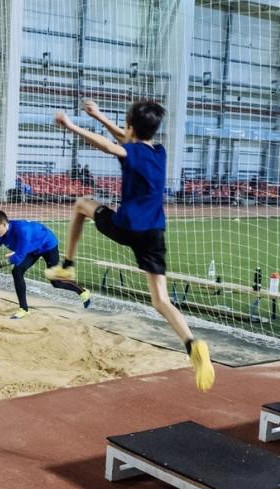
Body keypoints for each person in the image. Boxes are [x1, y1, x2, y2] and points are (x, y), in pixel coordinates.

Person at [44, 98, 215, 392]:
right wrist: (99, 116)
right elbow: (124, 139)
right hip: (154, 233)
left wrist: (72, 125)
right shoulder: (158, 152)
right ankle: (192, 344)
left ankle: (68, 267)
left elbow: (112, 145)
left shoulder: (128, 150)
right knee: (161, 299)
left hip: (128, 227)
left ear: (132, 126)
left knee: (81, 204)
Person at [0, 210, 91, 319]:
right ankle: (24, 309)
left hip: (47, 244)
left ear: (4, 224)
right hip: (30, 248)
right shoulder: (0, 236)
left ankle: (82, 291)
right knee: (17, 271)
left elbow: (20, 256)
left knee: (55, 282)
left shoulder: (22, 230)